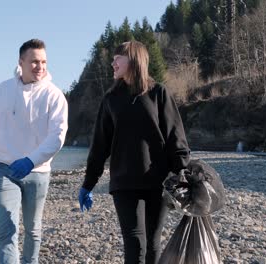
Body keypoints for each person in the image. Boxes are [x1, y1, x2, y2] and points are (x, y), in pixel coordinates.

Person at [78, 40, 190, 264]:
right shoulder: (111, 100)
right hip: (124, 183)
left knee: (152, 243)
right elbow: (100, 145)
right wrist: (88, 183)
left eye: (117, 58)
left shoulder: (158, 93)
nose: (113, 63)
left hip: (157, 182)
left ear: (134, 59)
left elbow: (175, 137)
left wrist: (184, 174)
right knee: (135, 242)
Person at [0, 39, 68, 264]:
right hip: (5, 170)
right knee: (6, 232)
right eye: (34, 62)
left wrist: (31, 161)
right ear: (20, 62)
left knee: (33, 230)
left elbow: (57, 137)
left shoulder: (55, 96)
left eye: (43, 62)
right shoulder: (1, 92)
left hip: (39, 172)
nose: (40, 67)